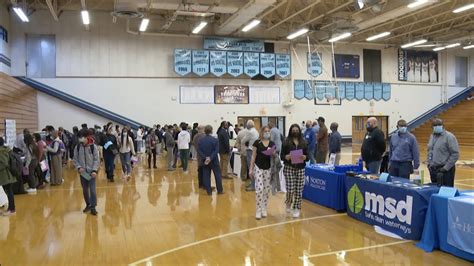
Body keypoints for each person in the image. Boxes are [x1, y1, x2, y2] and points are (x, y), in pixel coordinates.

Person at [281, 124, 308, 218]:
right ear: (290, 131)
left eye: (297, 130)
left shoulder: (303, 142)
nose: (295, 131)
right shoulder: (285, 142)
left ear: (299, 131)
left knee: (298, 190)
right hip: (289, 167)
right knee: (291, 189)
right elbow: (281, 156)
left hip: (300, 168)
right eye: (293, 130)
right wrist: (286, 157)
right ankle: (288, 202)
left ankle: (296, 208)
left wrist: (305, 157)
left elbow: (307, 156)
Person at [249, 126, 276, 220]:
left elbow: (275, 156)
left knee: (266, 189)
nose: (267, 133)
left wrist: (273, 153)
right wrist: (251, 169)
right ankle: (258, 209)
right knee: (259, 189)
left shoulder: (272, 143)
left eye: (268, 131)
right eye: (265, 131)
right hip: (258, 167)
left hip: (268, 168)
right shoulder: (257, 143)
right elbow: (253, 156)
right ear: (262, 132)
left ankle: (264, 208)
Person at [73, 130, 100, 216]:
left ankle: (93, 207)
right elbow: (75, 159)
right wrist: (78, 167)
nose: (80, 139)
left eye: (82, 137)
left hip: (92, 172)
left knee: (92, 190)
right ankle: (88, 204)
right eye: (79, 137)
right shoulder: (77, 147)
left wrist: (94, 170)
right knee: (85, 190)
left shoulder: (93, 147)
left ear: (86, 137)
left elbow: (96, 160)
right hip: (83, 173)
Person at [427, 119, 459, 187]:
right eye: (435, 125)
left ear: (443, 126)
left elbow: (455, 154)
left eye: (439, 125)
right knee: (435, 191)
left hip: (446, 170)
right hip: (433, 169)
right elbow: (430, 150)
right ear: (432, 127)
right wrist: (429, 163)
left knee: (446, 193)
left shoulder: (449, 137)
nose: (437, 126)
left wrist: (446, 168)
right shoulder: (432, 136)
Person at [198, 125, 224, 195]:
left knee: (206, 176)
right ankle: (220, 190)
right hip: (214, 160)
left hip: (205, 161)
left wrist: (205, 158)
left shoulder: (200, 141)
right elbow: (216, 150)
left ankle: (209, 191)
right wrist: (210, 157)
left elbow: (199, 151)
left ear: (204, 131)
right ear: (212, 131)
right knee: (217, 175)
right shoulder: (215, 140)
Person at [0, 137, 17, 216]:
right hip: (8, 175)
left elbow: (4, 163)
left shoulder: (1, 151)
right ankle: (11, 209)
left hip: (6, 176)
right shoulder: (6, 149)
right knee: (9, 192)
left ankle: (12, 209)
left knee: (9, 192)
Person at [242, 120, 259, 191]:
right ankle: (254, 183)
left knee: (251, 168)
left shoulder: (250, 132)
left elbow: (243, 140)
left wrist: (245, 142)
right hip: (255, 150)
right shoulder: (256, 131)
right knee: (254, 168)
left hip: (250, 151)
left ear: (248, 126)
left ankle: (253, 186)